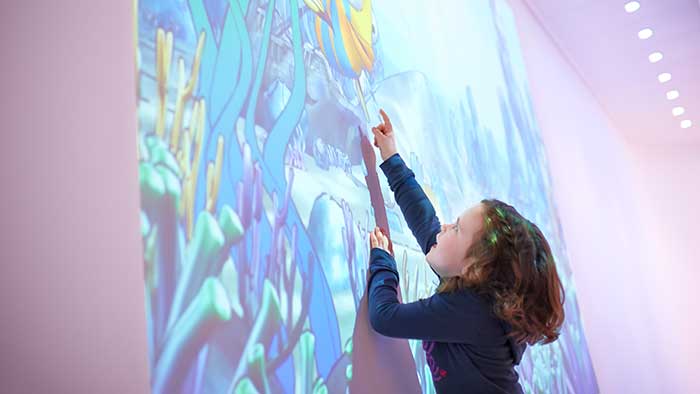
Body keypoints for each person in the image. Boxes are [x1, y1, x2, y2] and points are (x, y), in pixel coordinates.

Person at [367, 109, 565, 393]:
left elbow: (385, 317)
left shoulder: (470, 310)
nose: (446, 226)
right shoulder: (467, 284)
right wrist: (391, 158)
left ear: (475, 268)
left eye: (457, 228)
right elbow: (426, 223)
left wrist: (383, 262)